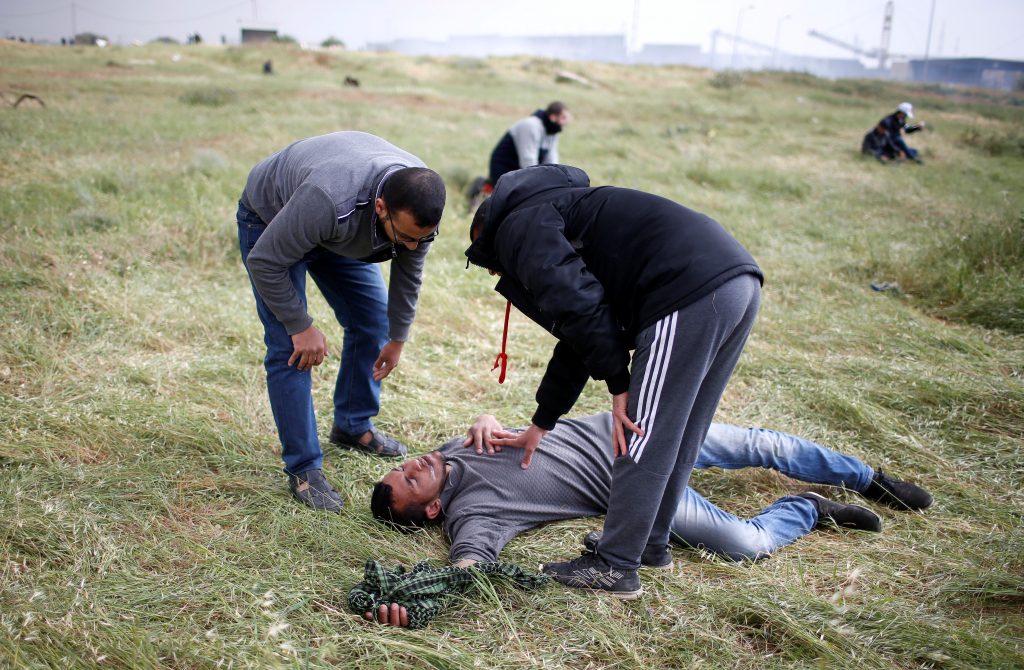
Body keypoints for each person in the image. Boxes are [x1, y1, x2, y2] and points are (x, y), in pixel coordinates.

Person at [464, 164, 763, 597]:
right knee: (680, 430)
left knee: (637, 433)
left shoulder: (517, 228)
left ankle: (615, 564)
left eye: (488, 261)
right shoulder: (555, 209)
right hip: (735, 281)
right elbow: (580, 333)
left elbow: (579, 308)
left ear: (489, 237)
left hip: (686, 290)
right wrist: (542, 423)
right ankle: (650, 543)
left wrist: (619, 386)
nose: (496, 272)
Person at [365, 412, 933, 621]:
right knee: (743, 544)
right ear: (433, 508)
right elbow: (469, 566)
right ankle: (806, 508)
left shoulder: (457, 447)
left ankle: (868, 477)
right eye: (411, 479)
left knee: (760, 444)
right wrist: (414, 602)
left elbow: (488, 420)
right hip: (638, 485)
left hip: (632, 426)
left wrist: (486, 418)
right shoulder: (474, 514)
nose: (415, 464)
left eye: (405, 466)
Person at [238, 131, 446, 512]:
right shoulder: (330, 199)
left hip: (335, 228)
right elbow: (265, 262)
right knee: (290, 348)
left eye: (423, 238)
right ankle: (304, 468)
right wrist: (300, 325)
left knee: (373, 320)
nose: (412, 247)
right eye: (405, 237)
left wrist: (398, 337)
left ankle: (352, 425)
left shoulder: (417, 205)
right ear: (381, 207)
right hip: (273, 219)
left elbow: (409, 272)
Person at [488, 102, 572, 187]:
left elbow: (551, 160)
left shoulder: (552, 131)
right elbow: (528, 161)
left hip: (521, 171)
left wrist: (555, 178)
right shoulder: (531, 125)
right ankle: (487, 186)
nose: (567, 122)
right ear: (553, 117)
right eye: (563, 117)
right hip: (505, 170)